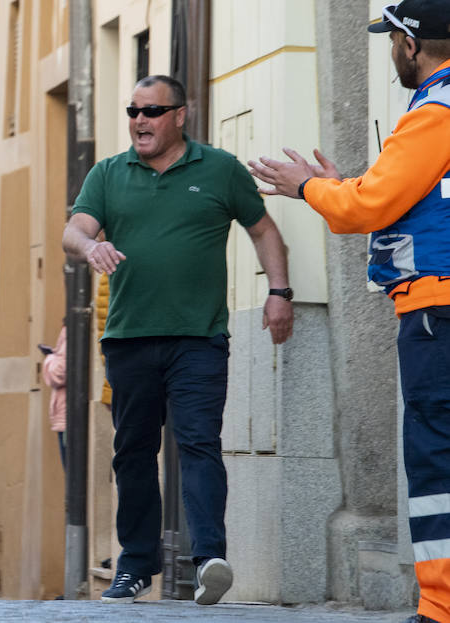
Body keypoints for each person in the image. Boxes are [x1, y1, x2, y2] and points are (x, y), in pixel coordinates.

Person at [248, 2, 450, 621]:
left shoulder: (437, 109)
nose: (391, 52)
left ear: (412, 44)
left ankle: (441, 606)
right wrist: (343, 189)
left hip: (436, 311)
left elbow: (367, 206)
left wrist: (308, 188)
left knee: (437, 458)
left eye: (392, 39)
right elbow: (391, 197)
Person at [63, 75, 294, 605]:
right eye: (133, 111)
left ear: (180, 116)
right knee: (133, 452)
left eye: (152, 111)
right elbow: (74, 230)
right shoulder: (108, 173)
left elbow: (262, 230)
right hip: (129, 339)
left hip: (199, 338)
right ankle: (137, 565)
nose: (139, 121)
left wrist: (279, 292)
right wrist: (88, 247)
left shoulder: (219, 170)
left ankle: (209, 556)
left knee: (198, 444)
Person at [41, 324, 67, 468]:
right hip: (67, 414)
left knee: (70, 470)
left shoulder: (69, 330)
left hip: (67, 415)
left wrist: (50, 358)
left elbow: (58, 373)